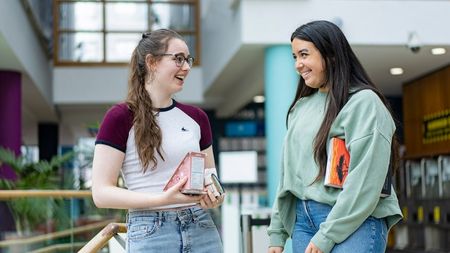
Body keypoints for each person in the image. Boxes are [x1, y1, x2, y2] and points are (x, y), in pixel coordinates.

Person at [267, 20, 403, 253]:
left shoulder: (364, 103)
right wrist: (277, 231)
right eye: (294, 57)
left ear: (330, 55)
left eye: (304, 54)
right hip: (303, 221)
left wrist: (327, 235)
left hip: (355, 221)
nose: (298, 65)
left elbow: (364, 181)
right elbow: (289, 174)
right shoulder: (301, 107)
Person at [92, 29, 224, 253]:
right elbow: (101, 193)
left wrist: (214, 196)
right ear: (152, 62)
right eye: (178, 59)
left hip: (201, 225)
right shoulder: (119, 117)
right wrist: (162, 199)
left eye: (188, 60)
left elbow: (210, 178)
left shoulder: (197, 118)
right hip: (149, 229)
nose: (187, 67)